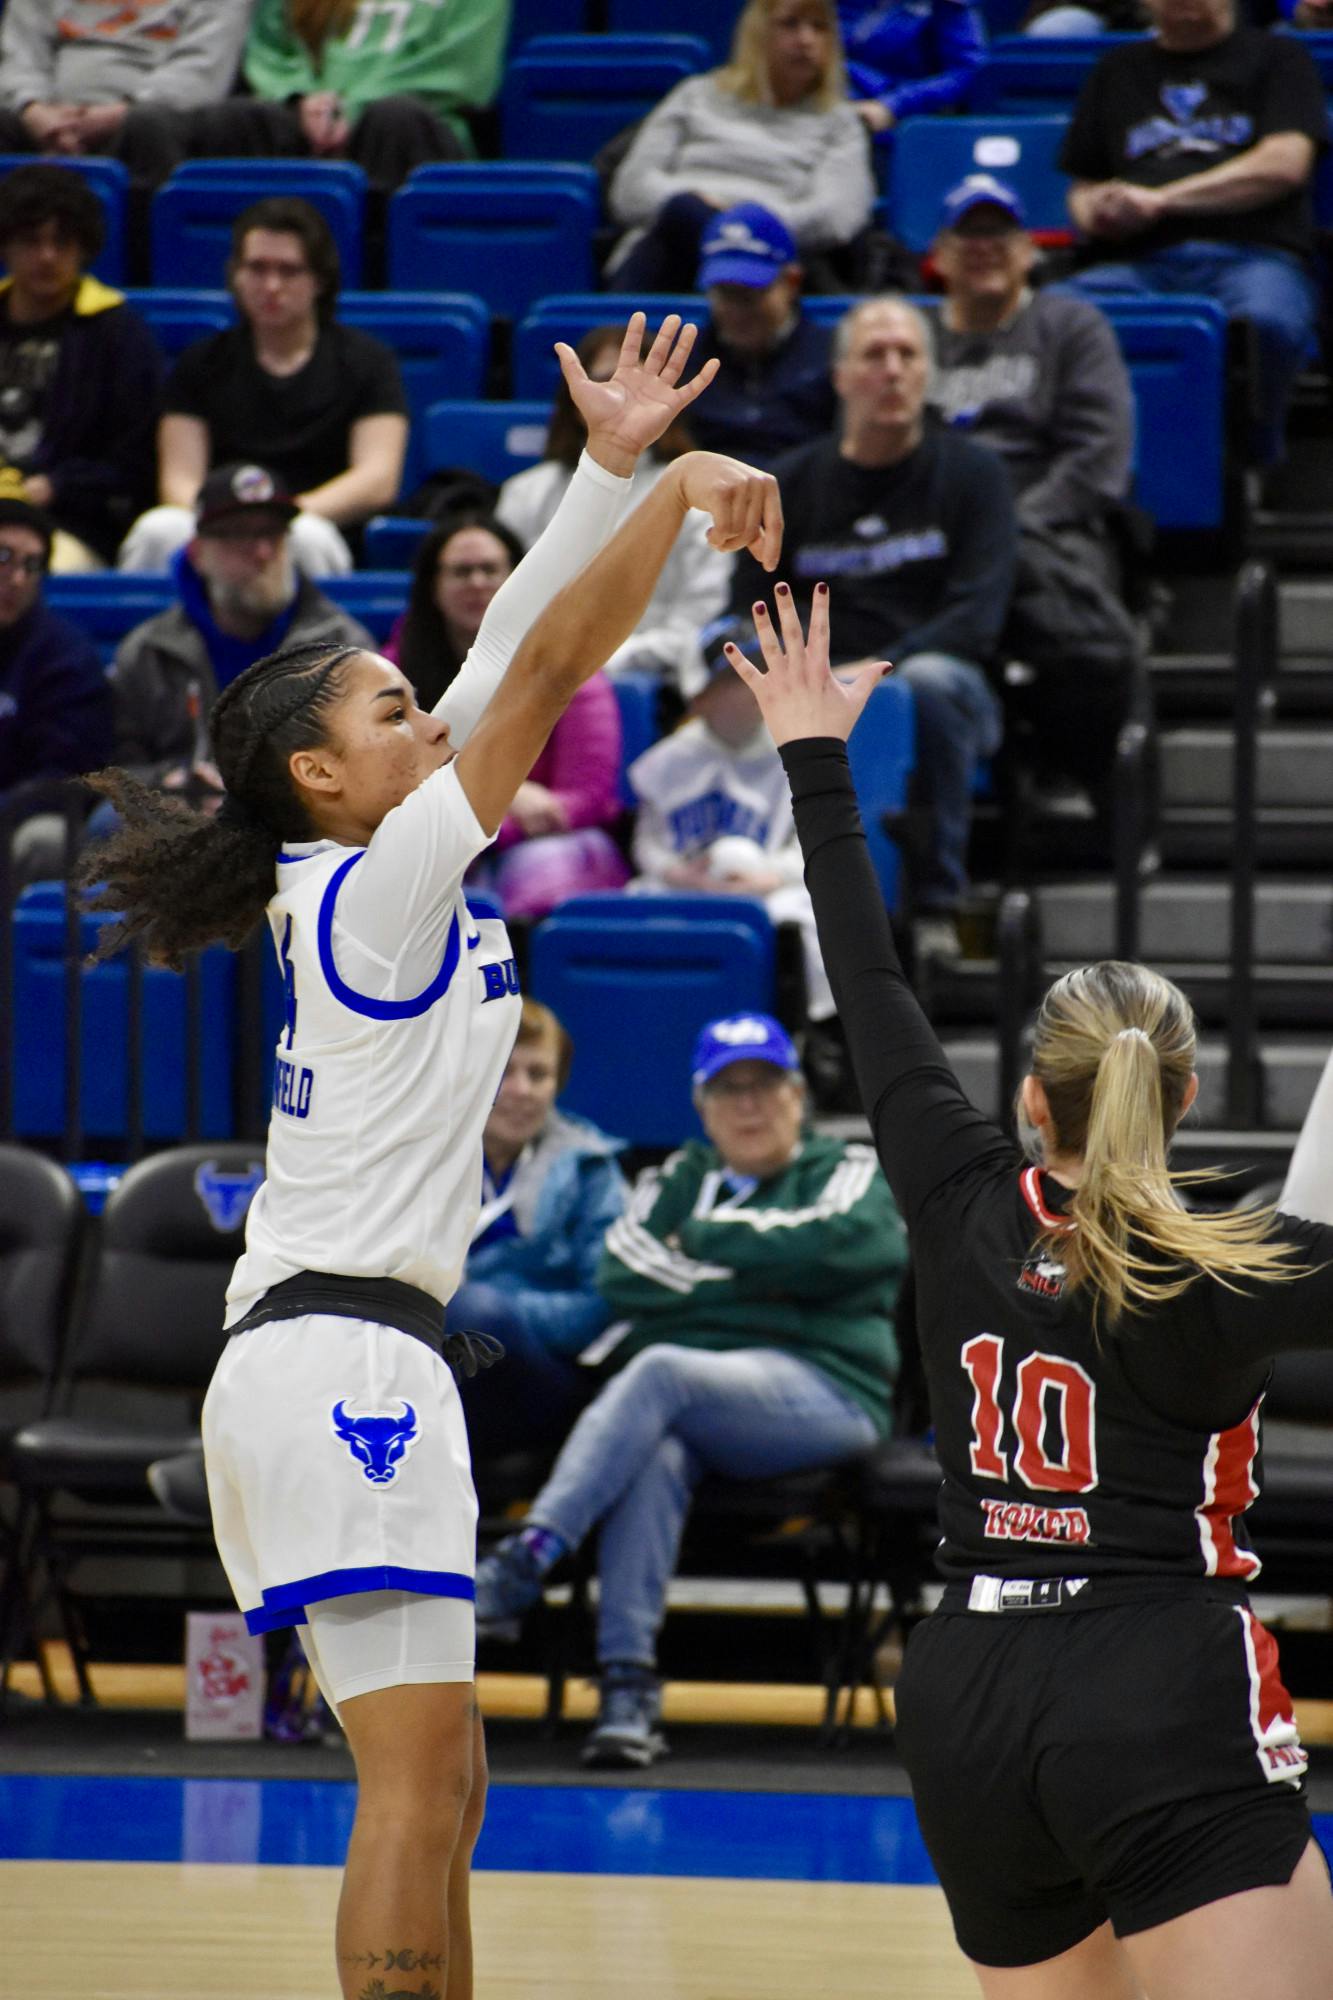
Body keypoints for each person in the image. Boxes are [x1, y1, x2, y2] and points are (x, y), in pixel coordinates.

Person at [77, 309, 780, 2000]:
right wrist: (676, 487)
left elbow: (514, 648)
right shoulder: (378, 884)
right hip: (336, 1359)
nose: (429, 718)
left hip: (350, 1349)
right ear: (322, 775)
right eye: (396, 709)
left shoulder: (361, 853)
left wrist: (607, 467)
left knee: (446, 1775)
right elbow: (540, 674)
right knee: (412, 1781)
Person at [722, 583, 1333, 2000]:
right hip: (1154, 1678)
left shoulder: (953, 1189)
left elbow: (862, 969)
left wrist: (813, 749)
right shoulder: (1237, 1263)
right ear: (1176, 1101)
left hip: (966, 1690)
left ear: (1026, 1098)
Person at [474, 1010, 906, 1768]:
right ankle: (626, 1689)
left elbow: (857, 1246)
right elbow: (623, 1271)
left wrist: (702, 1248)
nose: (749, 1105)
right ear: (702, 1108)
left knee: (661, 1368)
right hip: (696, 1405)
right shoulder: (678, 1176)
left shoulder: (849, 1169)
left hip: (824, 1393)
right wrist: (779, 1287)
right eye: (728, 1090)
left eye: (765, 1086)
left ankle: (529, 1558)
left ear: (797, 1095)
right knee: (658, 1448)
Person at [731, 295, 1017, 957]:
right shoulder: (793, 484)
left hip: (939, 683)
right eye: (873, 355)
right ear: (839, 377)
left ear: (928, 374)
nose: (891, 370)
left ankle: (937, 900)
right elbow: (751, 603)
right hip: (817, 680)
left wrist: (871, 676)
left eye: (907, 355)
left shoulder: (975, 476)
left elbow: (975, 616)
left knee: (929, 682)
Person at [930, 173, 1140, 820]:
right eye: (968, 235)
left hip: (1048, 523)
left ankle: (1066, 766)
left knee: (1078, 628)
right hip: (933, 528)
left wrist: (1005, 529)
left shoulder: (1069, 326)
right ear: (937, 255)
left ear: (1028, 251)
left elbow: (1098, 458)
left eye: (999, 235)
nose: (984, 247)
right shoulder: (909, 337)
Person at [1060, 0, 1327, 465]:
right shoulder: (1116, 70)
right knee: (1054, 317)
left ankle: (1250, 457)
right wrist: (1096, 212)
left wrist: (1162, 200)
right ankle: (1089, 456)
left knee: (1271, 324)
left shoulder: (1280, 58)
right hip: (1135, 265)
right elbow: (1083, 186)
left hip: (1254, 257)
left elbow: (1285, 164)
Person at [119, 198, 408, 577]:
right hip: (218, 520)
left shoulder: (369, 362)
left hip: (314, 521)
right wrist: (232, 522)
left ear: (319, 280)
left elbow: (377, 480)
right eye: (257, 268)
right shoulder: (200, 364)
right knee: (158, 530)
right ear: (236, 276)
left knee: (309, 538)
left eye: (288, 271)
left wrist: (278, 517)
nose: (271, 286)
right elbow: (178, 482)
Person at [386, 514, 629, 920]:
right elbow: (389, 784)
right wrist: (509, 798)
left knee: (546, 870)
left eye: (490, 569)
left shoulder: (572, 665)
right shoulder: (392, 673)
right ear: (433, 585)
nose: (477, 582)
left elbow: (586, 799)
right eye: (462, 571)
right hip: (435, 843)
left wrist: (470, 812)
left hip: (544, 843)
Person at [109, 464, 373, 806]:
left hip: (300, 819)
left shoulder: (342, 646)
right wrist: (170, 782)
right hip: (179, 822)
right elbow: (117, 762)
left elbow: (364, 761)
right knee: (108, 822)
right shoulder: (149, 650)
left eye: (273, 534)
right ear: (197, 554)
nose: (262, 552)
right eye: (239, 535)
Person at [499, 322, 732, 699]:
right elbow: (505, 613)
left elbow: (697, 624)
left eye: (641, 386)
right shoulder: (524, 495)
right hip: (531, 680)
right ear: (575, 399)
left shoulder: (698, 500)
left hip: (658, 689)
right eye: (606, 382)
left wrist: (602, 666)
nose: (623, 399)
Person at [627, 624, 836, 1024]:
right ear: (700, 697)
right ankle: (647, 1018)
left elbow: (813, 846)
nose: (752, 689)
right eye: (735, 680)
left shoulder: (797, 754)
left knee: (811, 917)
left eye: (759, 675)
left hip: (770, 888)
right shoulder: (666, 762)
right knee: (636, 905)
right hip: (686, 887)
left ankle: (809, 1031)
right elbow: (647, 844)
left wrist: (771, 877)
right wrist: (678, 874)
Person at [452, 998, 627, 1462]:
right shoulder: (428, 1158)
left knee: (476, 1313)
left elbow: (600, 1304)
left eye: (539, 1075)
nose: (522, 1090)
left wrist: (495, 1308)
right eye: (504, 1072)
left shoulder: (591, 1169)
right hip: (433, 1357)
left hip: (543, 1378)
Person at [607, 0, 874, 294]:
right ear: (757, 32)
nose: (806, 40)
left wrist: (742, 225)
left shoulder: (840, 121)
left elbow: (835, 217)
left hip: (772, 258)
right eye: (790, 24)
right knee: (675, 218)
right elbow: (631, 190)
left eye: (819, 28)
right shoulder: (695, 95)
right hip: (675, 245)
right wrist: (693, 211)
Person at [0, 163, 161, 570]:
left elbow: (133, 462)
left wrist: (57, 487)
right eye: (31, 241)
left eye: (62, 242)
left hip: (69, 526)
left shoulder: (119, 335)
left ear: (84, 247)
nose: (47, 256)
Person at [237, 0, 510, 184]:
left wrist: (351, 108)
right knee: (224, 124)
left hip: (413, 135)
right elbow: (272, 49)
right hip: (310, 122)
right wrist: (299, 99)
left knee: (393, 119)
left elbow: (461, 71)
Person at [0, 1, 251, 188]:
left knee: (148, 126)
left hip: (152, 118)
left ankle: (144, 256)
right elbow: (19, 54)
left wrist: (121, 112)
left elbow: (201, 72)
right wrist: (32, 107)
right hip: (50, 117)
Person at [0, 475, 112, 881]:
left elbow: (69, 775)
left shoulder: (63, 655)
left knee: (45, 838)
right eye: (3, 557)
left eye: (31, 565)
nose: (15, 578)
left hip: (19, 814)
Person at [681, 203, 840, 471]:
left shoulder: (834, 357)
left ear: (792, 282)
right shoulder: (684, 360)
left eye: (750, 296)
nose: (737, 310)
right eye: (724, 294)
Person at [838, 0, 987, 141]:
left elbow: (968, 71)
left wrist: (894, 105)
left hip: (901, 124)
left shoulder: (946, 6)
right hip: (834, 104)